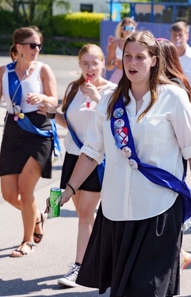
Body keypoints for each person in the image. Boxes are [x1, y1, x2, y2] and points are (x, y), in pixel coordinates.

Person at [59, 30, 191, 297]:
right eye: (127, 56)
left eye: (140, 57)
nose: (132, 63)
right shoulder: (109, 101)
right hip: (117, 211)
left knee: (148, 290)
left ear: (154, 60)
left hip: (159, 208)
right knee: (122, 290)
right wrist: (69, 189)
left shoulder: (173, 97)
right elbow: (91, 152)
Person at [0, 27, 58, 257]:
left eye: (39, 45)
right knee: (7, 193)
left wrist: (43, 98)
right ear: (19, 47)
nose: (37, 49)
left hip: (38, 132)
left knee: (26, 190)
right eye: (32, 45)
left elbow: (54, 101)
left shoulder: (43, 69)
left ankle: (26, 242)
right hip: (13, 132)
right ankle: (37, 217)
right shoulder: (4, 72)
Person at [43, 44, 115, 286]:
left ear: (103, 63)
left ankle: (79, 267)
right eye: (85, 63)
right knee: (85, 215)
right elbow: (68, 120)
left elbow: (117, 124)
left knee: (85, 213)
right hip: (73, 155)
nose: (90, 68)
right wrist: (53, 114)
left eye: (95, 63)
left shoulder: (112, 91)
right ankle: (96, 261)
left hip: (97, 157)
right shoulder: (74, 88)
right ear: (79, 65)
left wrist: (98, 99)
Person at [157, 38, 191, 270]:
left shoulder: (174, 86)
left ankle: (177, 256)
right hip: (167, 154)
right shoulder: (174, 82)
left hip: (173, 155)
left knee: (169, 209)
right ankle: (178, 254)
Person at [106, 17, 137, 84]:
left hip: (134, 76)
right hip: (118, 77)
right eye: (126, 28)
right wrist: (114, 62)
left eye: (131, 28)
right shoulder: (115, 44)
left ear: (134, 29)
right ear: (121, 29)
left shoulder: (139, 44)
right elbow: (108, 67)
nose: (128, 31)